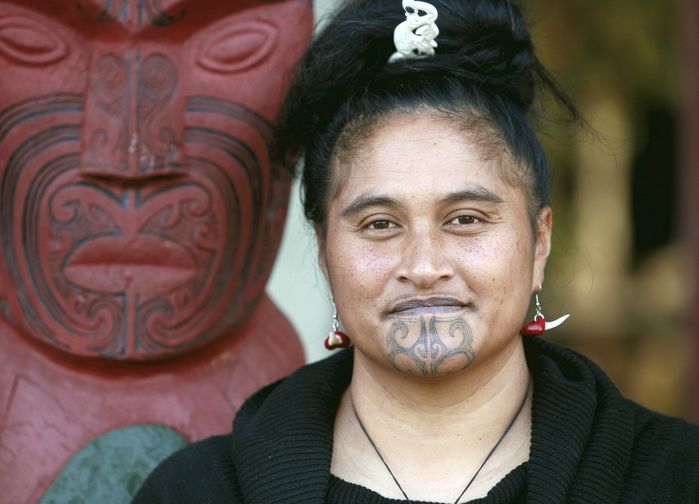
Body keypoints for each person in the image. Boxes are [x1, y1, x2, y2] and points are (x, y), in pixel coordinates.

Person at [133, 0, 699, 502]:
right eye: (380, 224)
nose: (424, 267)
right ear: (324, 251)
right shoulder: (198, 491)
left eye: (466, 219)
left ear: (539, 242)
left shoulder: (674, 475)